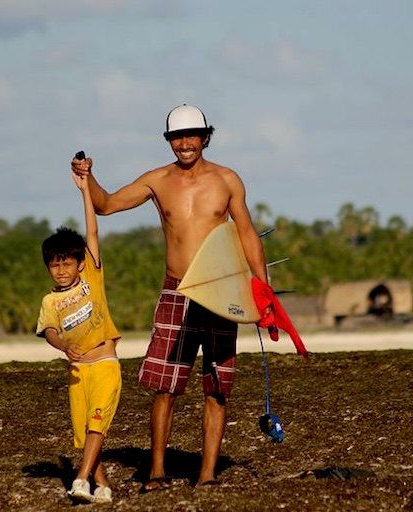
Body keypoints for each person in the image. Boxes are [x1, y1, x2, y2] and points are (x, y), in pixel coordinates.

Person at [70, 104, 275, 491]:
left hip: (219, 291)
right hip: (176, 289)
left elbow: (247, 234)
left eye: (191, 136)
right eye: (176, 138)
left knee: (217, 386)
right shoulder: (157, 181)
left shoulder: (227, 180)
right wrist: (88, 177)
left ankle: (208, 474)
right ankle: (157, 471)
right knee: (166, 384)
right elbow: (106, 204)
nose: (184, 144)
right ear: (169, 142)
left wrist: (262, 291)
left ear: (205, 137)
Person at [35, 161, 121, 504]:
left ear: (79, 263)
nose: (60, 270)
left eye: (66, 263)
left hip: (105, 364)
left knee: (98, 423)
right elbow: (51, 332)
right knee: (85, 434)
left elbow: (93, 231)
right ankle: (102, 486)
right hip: (76, 371)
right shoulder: (49, 302)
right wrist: (63, 346)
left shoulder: (91, 278)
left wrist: (85, 189)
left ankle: (81, 478)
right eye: (54, 264)